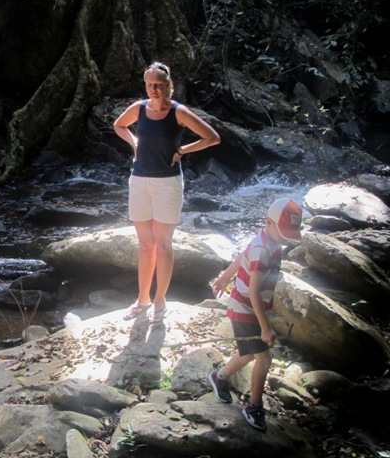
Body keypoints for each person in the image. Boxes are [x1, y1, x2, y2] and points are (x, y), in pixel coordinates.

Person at [113, 62, 220, 324]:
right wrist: (134, 142)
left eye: (158, 85)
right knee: (145, 244)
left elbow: (212, 137)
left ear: (168, 85)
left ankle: (160, 300)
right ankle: (142, 299)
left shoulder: (178, 112)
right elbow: (119, 125)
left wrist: (182, 150)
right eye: (150, 84)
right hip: (139, 180)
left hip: (167, 183)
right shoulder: (139, 108)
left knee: (162, 244)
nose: (154, 89)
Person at [209, 197, 303, 431]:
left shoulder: (266, 239)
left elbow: (243, 256)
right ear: (268, 222)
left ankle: (219, 377)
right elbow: (253, 291)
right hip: (246, 308)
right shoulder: (263, 250)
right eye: (283, 232)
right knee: (264, 358)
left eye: (289, 233)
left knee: (250, 353)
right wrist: (265, 327)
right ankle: (254, 406)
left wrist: (225, 277)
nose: (286, 238)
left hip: (248, 307)